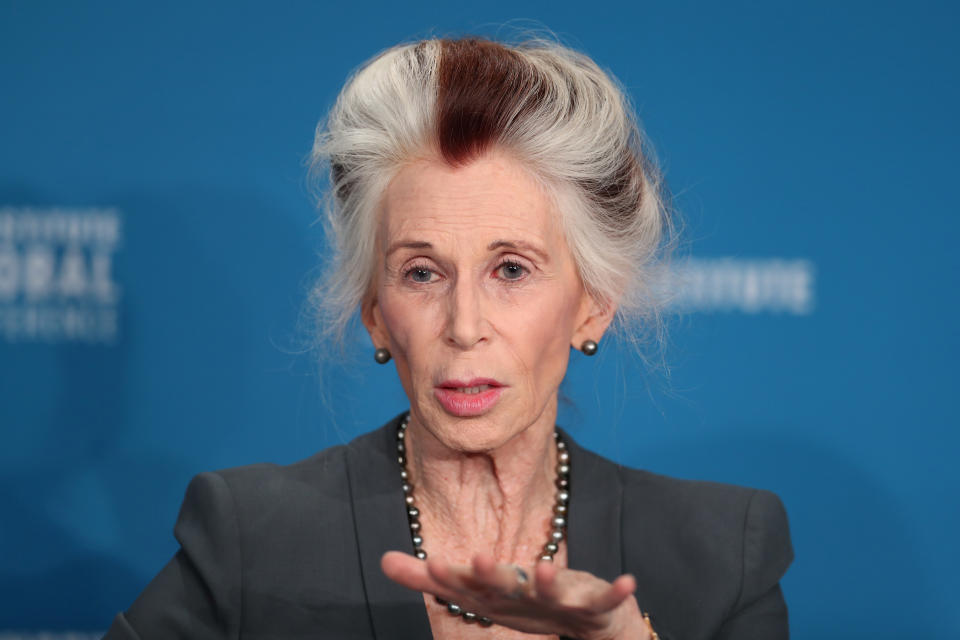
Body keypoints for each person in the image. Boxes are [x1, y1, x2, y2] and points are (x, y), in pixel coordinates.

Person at [103, 35, 793, 640]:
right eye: (423, 273)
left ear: (593, 306)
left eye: (512, 269)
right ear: (376, 310)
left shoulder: (722, 553)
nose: (464, 327)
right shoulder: (249, 537)